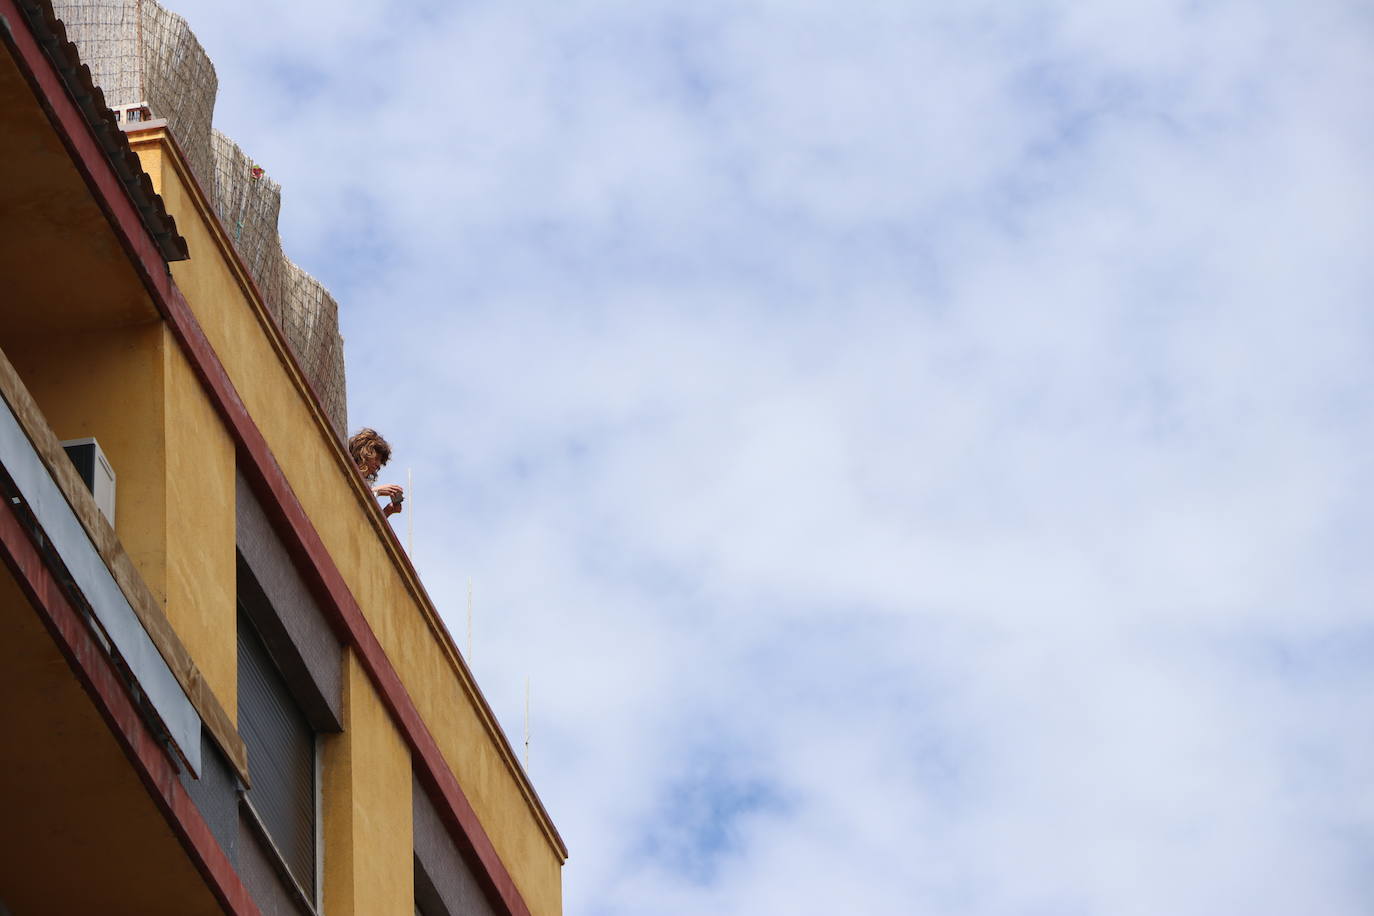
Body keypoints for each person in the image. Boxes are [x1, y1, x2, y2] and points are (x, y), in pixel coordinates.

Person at [349, 428, 404, 517]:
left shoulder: (366, 483)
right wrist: (377, 491)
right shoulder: (345, 469)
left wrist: (387, 511)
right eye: (376, 458)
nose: (378, 464)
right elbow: (348, 497)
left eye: (380, 461)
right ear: (365, 453)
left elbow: (360, 522)